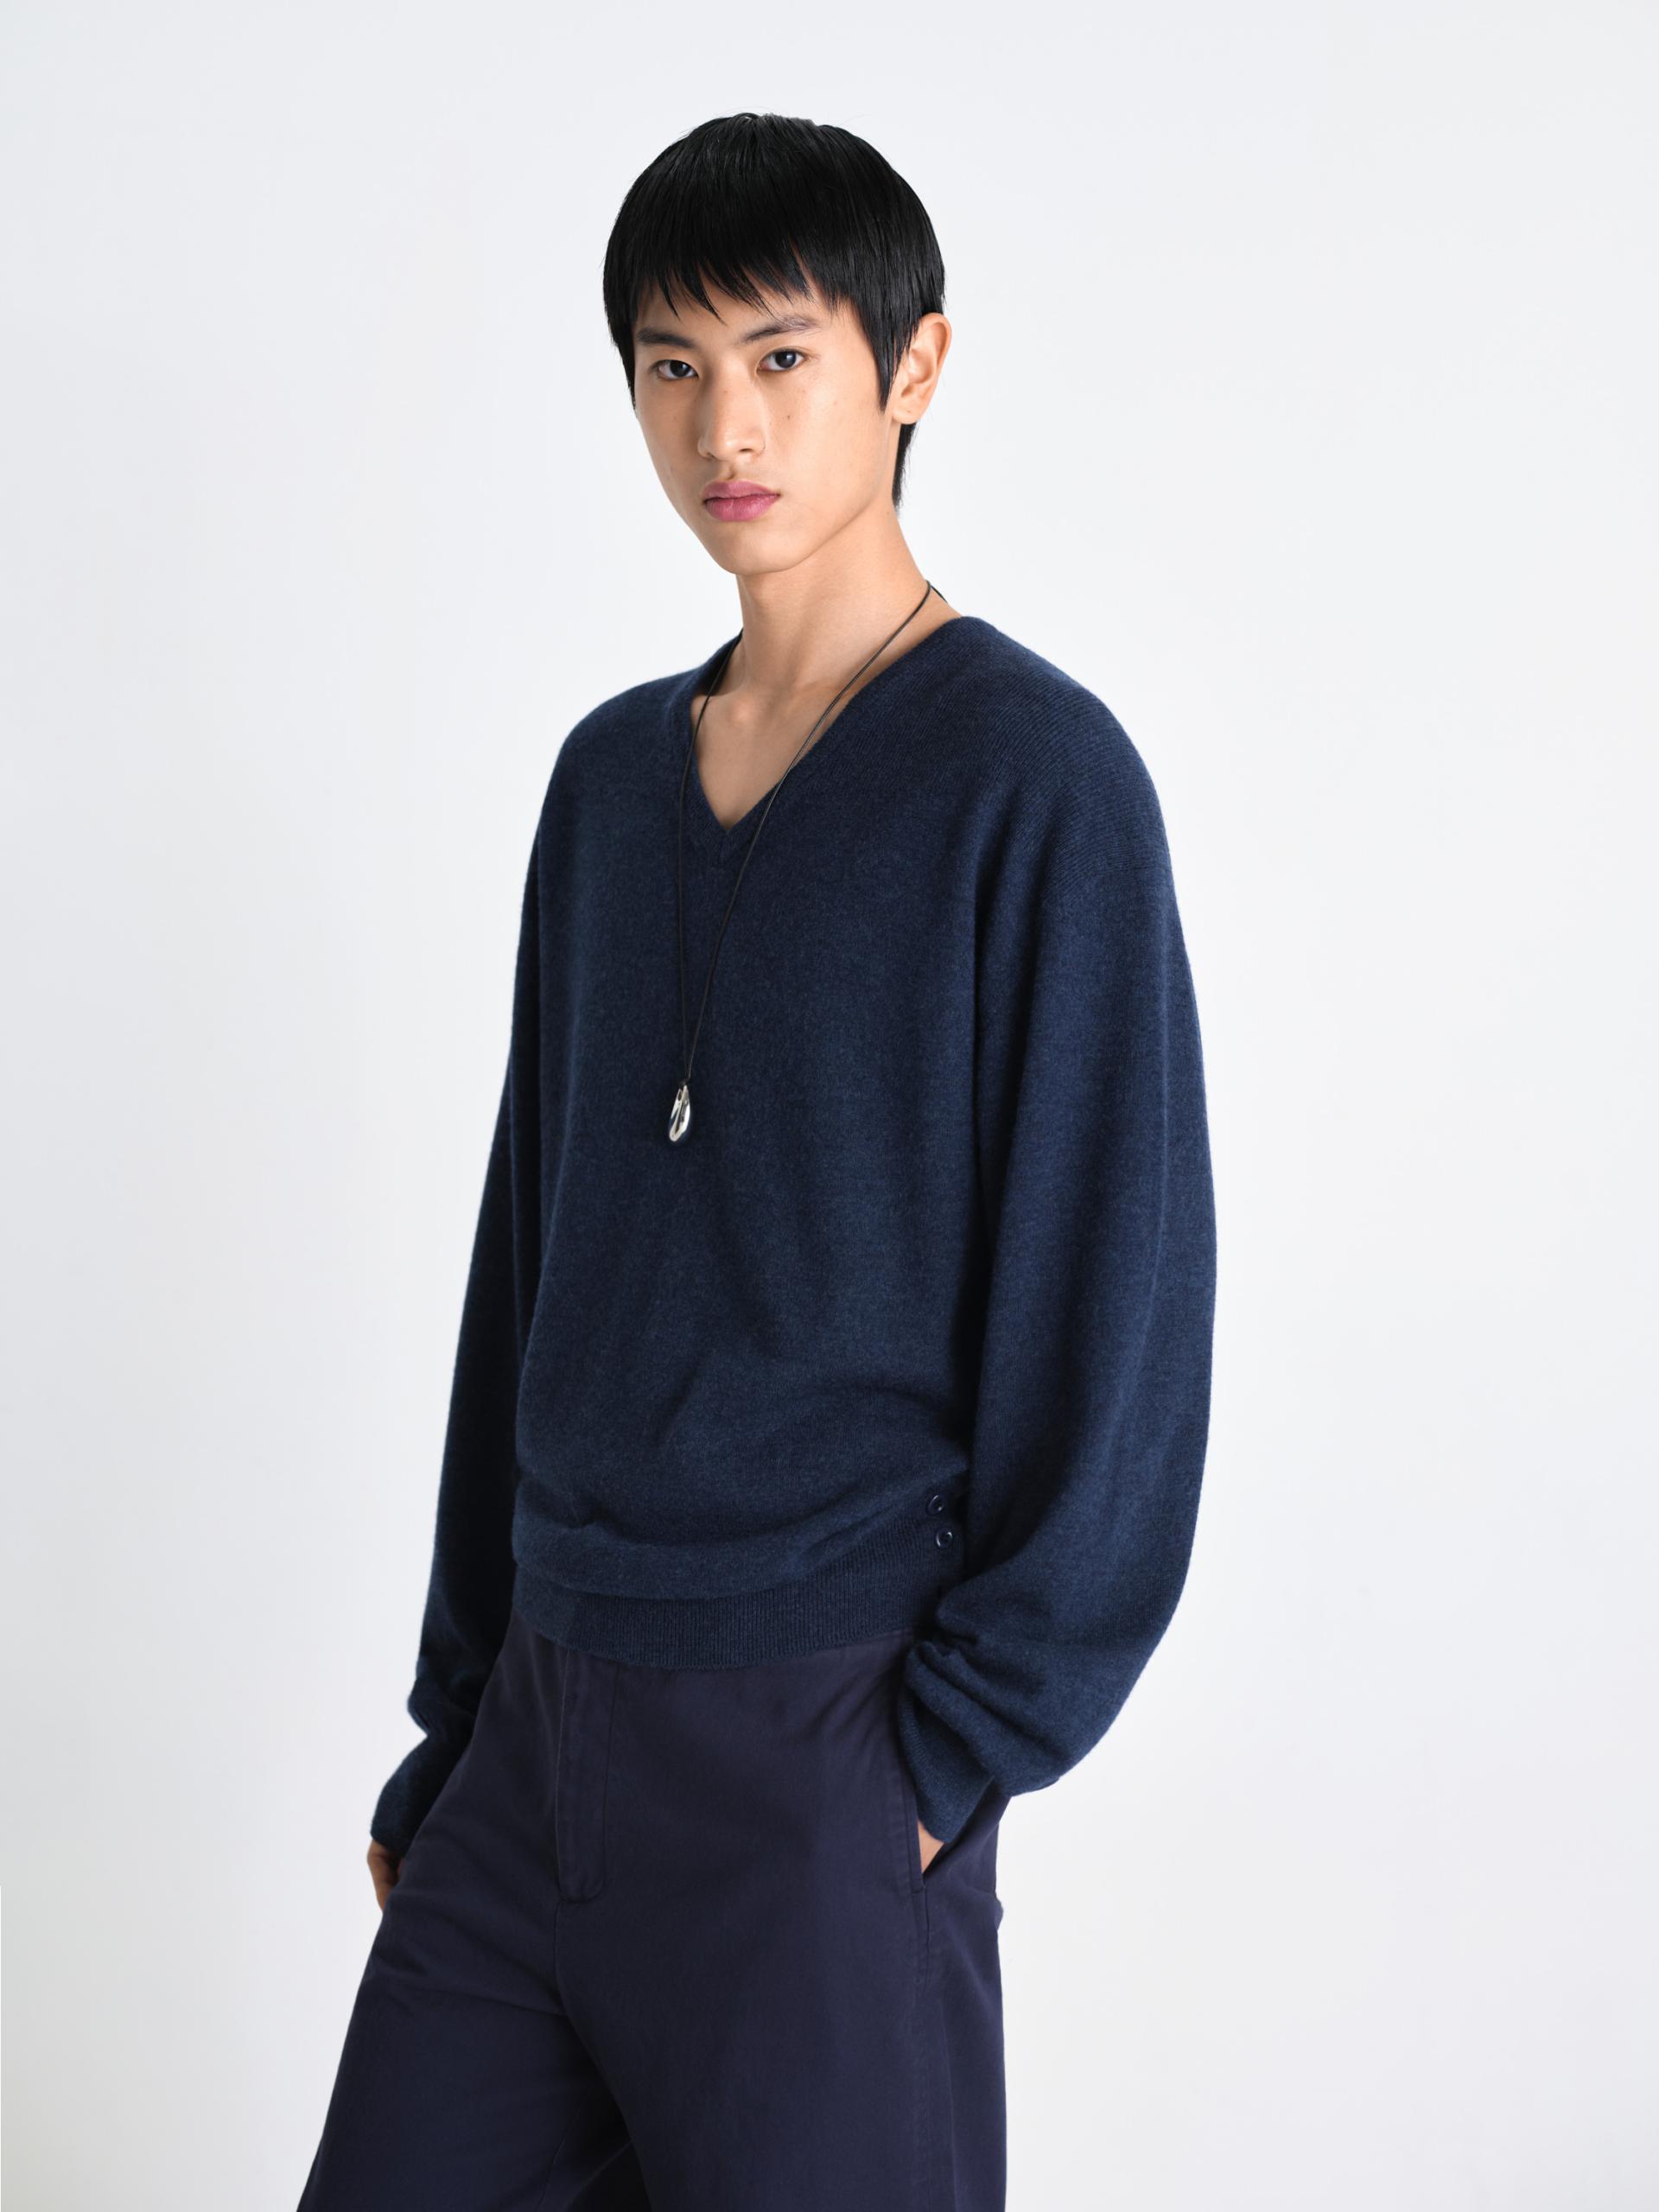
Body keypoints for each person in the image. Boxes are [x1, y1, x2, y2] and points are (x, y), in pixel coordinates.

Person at [297, 111, 1217, 2212]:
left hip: (825, 1735)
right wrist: (464, 1712)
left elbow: (1119, 1294)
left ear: (914, 366)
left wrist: (952, 1750)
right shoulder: (606, 786)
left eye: (784, 357)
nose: (726, 424)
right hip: (543, 1728)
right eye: (672, 365)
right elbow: (531, 1263)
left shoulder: (1036, 781)